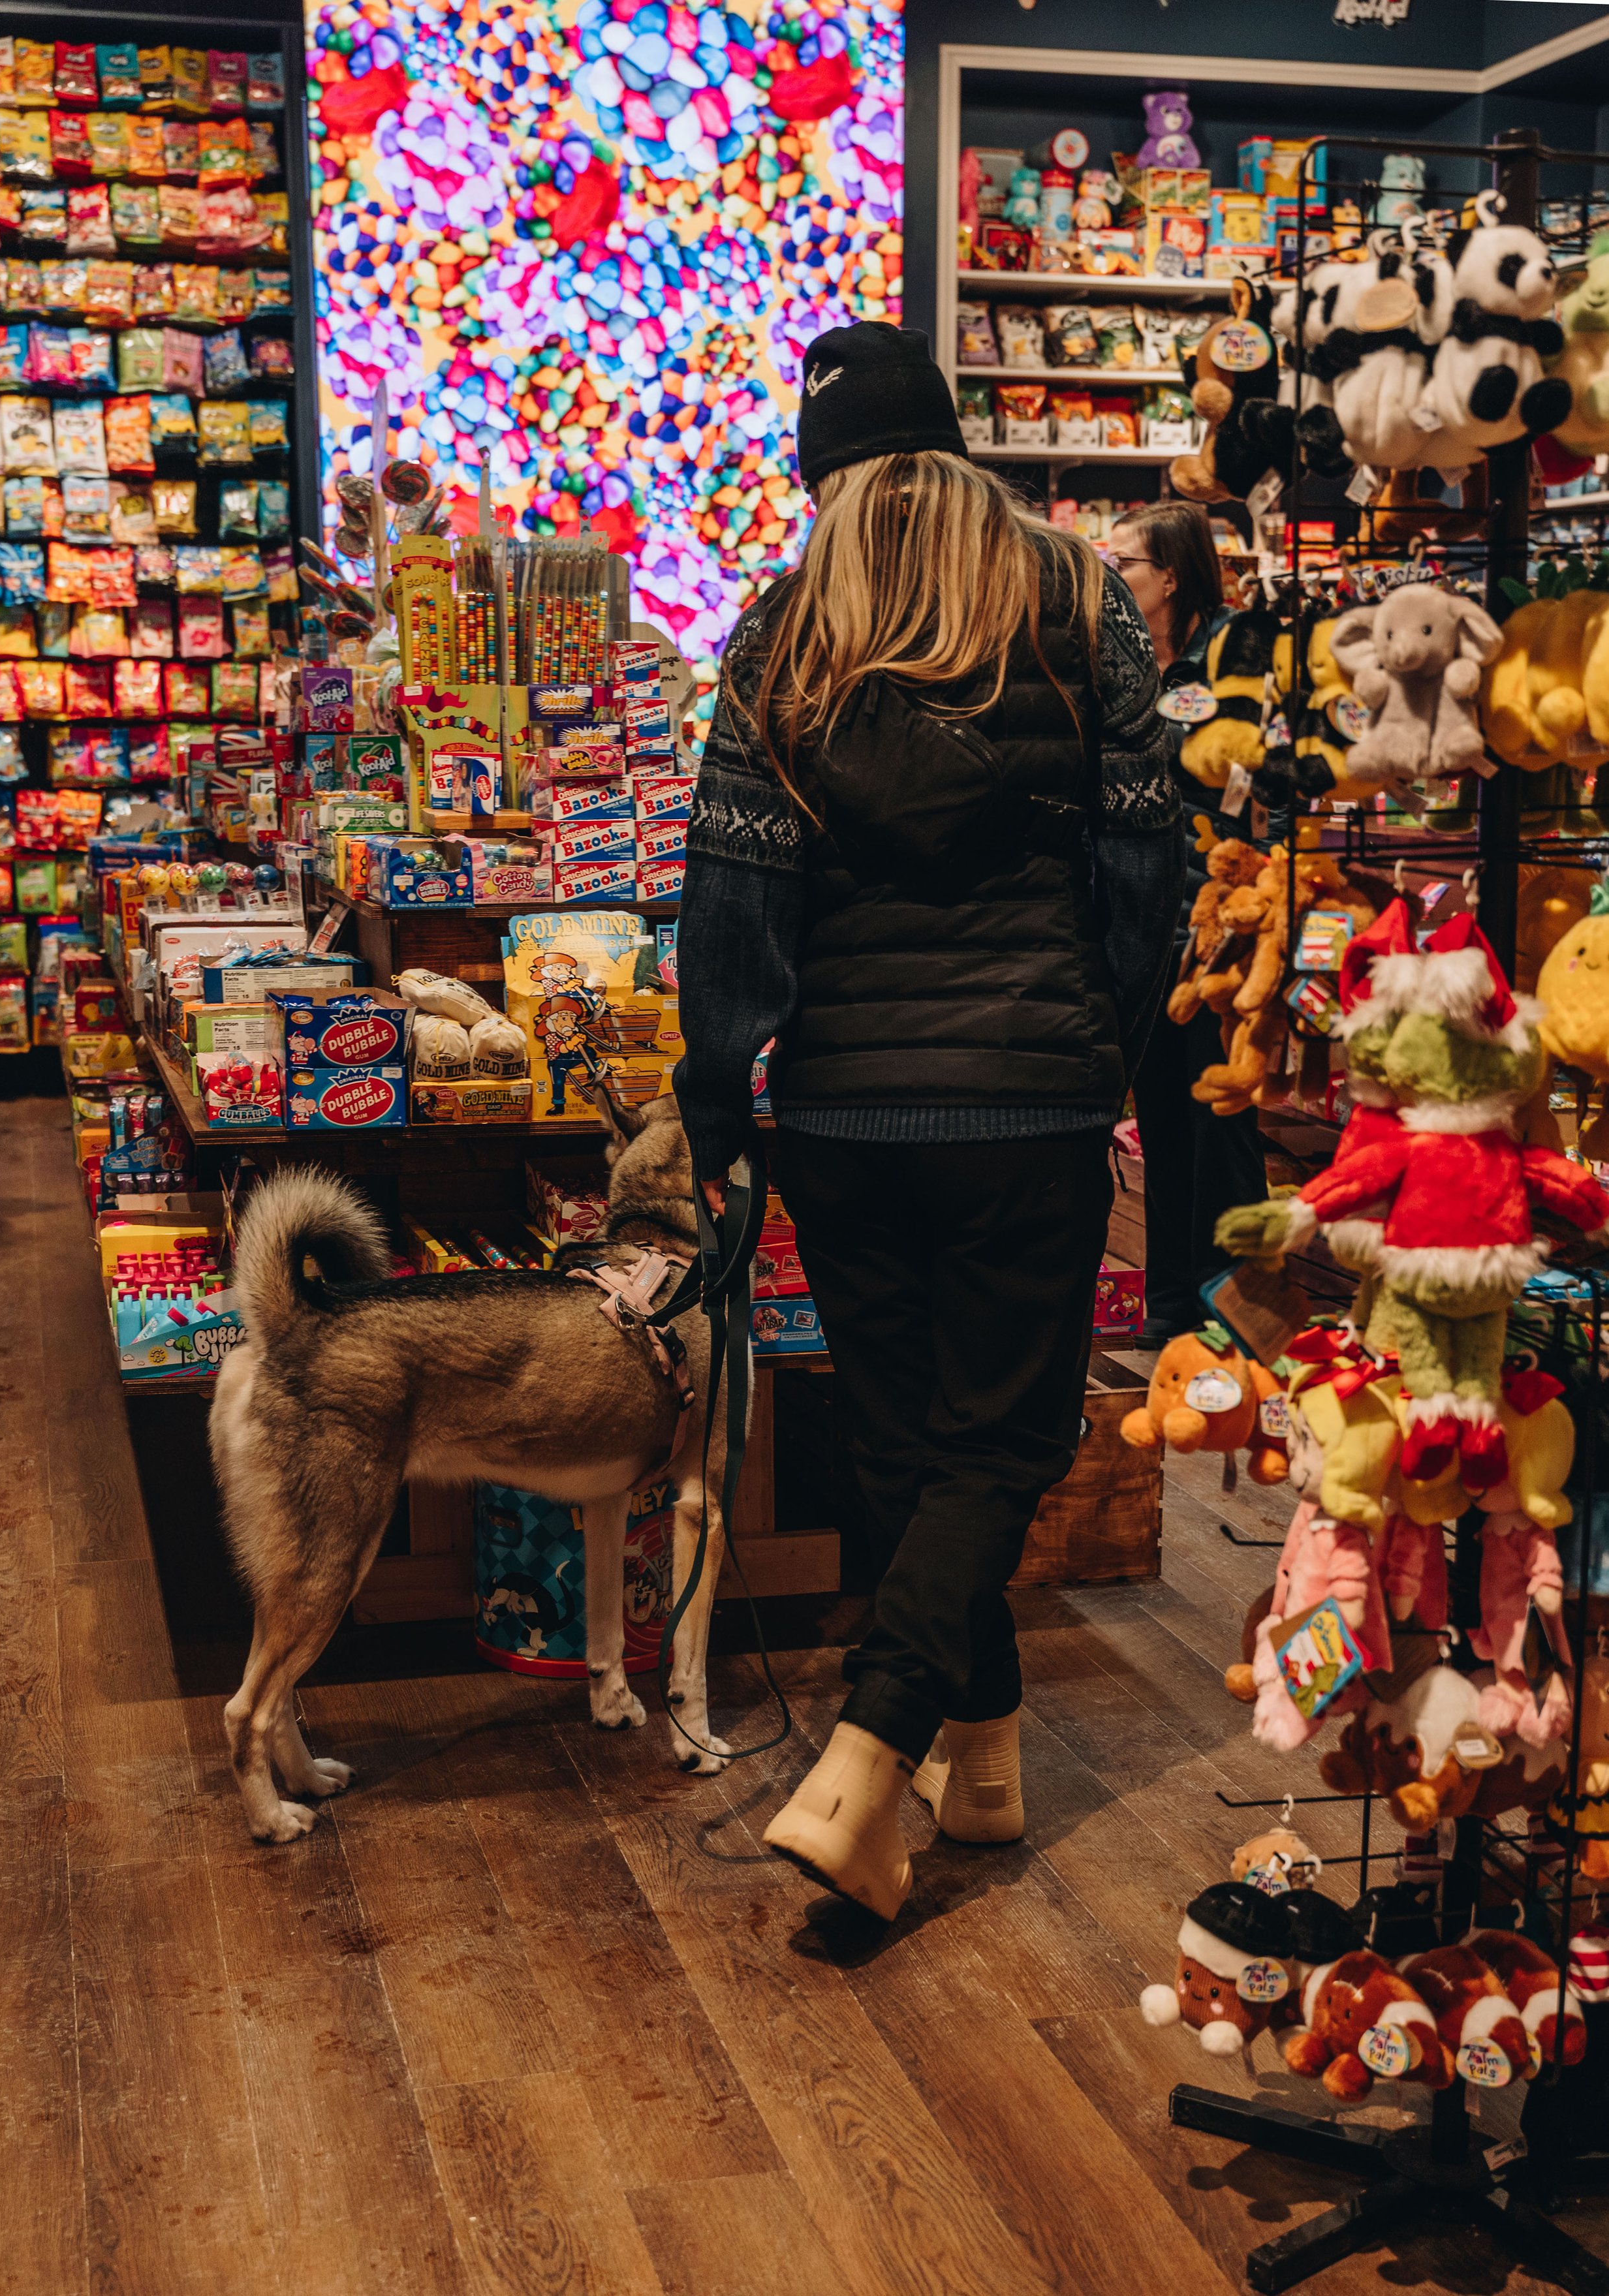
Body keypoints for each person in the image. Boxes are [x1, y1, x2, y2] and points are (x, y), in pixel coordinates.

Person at [673, 322, 1184, 1922]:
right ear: (953, 449)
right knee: (1003, 1439)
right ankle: (878, 1754)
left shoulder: (784, 627)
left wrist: (717, 1096)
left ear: (824, 477)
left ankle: (977, 1760)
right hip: (1030, 1093)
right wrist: (1103, 1039)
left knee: (903, 1438)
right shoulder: (1077, 599)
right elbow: (1143, 858)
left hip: (842, 1104)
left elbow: (733, 884)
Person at [1106, 499, 1265, 1343]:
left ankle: (1236, 1306)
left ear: (1169, 576)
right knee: (1163, 1121)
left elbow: (1265, 780)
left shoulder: (1235, 655)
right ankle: (1170, 1301)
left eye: (1123, 562)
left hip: (1223, 928)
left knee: (1222, 1123)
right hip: (1147, 927)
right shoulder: (1127, 661)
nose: (1110, 575)